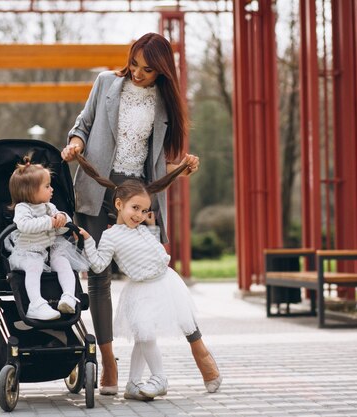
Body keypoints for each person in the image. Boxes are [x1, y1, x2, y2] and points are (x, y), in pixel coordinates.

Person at [62, 32, 221, 394]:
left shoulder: (166, 102)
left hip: (139, 196)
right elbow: (82, 124)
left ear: (162, 72)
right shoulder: (105, 83)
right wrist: (75, 145)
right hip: (97, 187)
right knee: (99, 278)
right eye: (134, 64)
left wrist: (182, 166)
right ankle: (108, 366)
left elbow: (159, 156)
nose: (137, 73)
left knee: (155, 273)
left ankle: (199, 349)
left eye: (147, 69)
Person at [75, 154, 208, 400]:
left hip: (164, 283)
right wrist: (88, 240)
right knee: (145, 334)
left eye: (144, 210)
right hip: (140, 289)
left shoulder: (143, 230)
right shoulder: (111, 235)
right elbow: (98, 264)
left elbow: (157, 252)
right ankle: (160, 377)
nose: (139, 215)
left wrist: (150, 227)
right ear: (118, 205)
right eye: (134, 208)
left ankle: (133, 383)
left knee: (143, 335)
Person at [7, 155, 86, 320]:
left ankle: (68, 296)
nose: (52, 189)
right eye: (47, 186)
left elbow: (61, 229)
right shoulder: (23, 208)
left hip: (50, 248)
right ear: (30, 191)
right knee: (34, 266)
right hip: (28, 251)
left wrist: (62, 218)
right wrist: (50, 222)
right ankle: (35, 303)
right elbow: (24, 225)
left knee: (63, 263)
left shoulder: (49, 207)